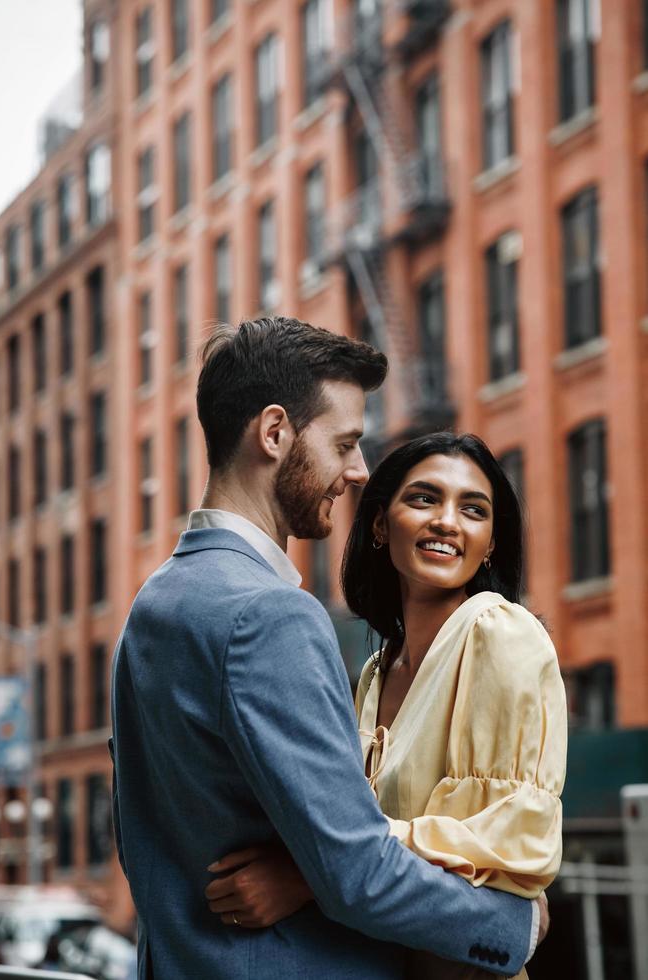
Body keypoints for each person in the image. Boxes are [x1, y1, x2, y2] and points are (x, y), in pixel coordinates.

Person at [111, 317, 541, 980]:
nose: (358, 470)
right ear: (275, 432)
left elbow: (142, 839)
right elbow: (358, 873)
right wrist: (515, 926)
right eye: (344, 443)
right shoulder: (271, 616)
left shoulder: (155, 604)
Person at [208, 431, 566, 979]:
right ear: (379, 524)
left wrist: (313, 875)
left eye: (474, 509)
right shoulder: (375, 673)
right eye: (424, 498)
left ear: (491, 542)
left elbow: (508, 850)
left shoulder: (499, 634)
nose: (448, 521)